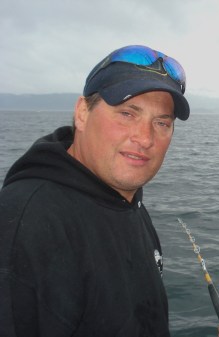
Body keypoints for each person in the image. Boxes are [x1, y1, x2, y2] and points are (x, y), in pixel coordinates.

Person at [0, 45, 189, 337]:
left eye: (162, 122)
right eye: (127, 113)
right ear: (82, 113)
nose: (145, 137)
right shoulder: (25, 226)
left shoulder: (125, 201)